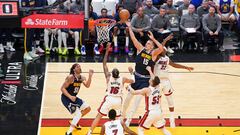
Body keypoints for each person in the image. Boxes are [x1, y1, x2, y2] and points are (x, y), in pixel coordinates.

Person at [122, 21, 173, 127]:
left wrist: (153, 38)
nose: (147, 44)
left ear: (152, 46)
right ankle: (122, 116)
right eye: (147, 42)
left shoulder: (154, 54)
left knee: (136, 101)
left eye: (150, 43)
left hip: (145, 80)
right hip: (136, 77)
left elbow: (161, 48)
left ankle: (129, 120)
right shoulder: (141, 49)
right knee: (128, 99)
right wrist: (130, 27)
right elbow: (134, 39)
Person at [87, 43, 135, 135]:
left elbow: (104, 63)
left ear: (112, 74)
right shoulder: (123, 79)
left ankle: (90, 132)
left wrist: (107, 51)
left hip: (109, 99)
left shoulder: (108, 77)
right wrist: (132, 72)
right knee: (118, 119)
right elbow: (133, 80)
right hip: (118, 100)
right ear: (118, 74)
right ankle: (121, 132)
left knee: (99, 116)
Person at [154, 47, 194, 128]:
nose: (164, 50)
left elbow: (174, 65)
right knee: (158, 102)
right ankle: (160, 118)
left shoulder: (167, 58)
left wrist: (186, 67)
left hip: (166, 82)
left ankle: (172, 119)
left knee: (170, 100)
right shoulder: (156, 57)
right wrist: (165, 41)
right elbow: (160, 48)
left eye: (165, 49)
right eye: (163, 49)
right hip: (157, 82)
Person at [128, 67, 172, 135]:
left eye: (151, 79)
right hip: (159, 112)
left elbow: (133, 92)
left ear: (151, 82)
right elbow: (154, 79)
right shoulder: (159, 87)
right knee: (163, 129)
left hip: (150, 113)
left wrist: (128, 88)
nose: (150, 78)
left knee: (140, 129)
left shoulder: (147, 90)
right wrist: (149, 70)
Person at [61, 63, 93, 135]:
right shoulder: (71, 77)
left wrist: (90, 76)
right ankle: (69, 132)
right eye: (77, 67)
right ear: (74, 69)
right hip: (66, 98)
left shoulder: (82, 77)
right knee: (78, 113)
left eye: (80, 66)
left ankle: (74, 120)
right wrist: (70, 96)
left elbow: (87, 85)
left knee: (88, 108)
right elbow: (62, 88)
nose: (79, 67)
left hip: (74, 98)